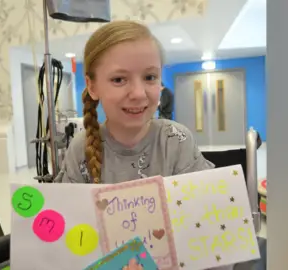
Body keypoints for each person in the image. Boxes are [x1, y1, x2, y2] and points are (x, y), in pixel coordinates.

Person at [54, 20, 231, 270]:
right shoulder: (80, 149)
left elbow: (210, 236)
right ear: (92, 86)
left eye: (149, 77)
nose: (138, 93)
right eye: (118, 79)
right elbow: (67, 240)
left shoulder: (176, 141)